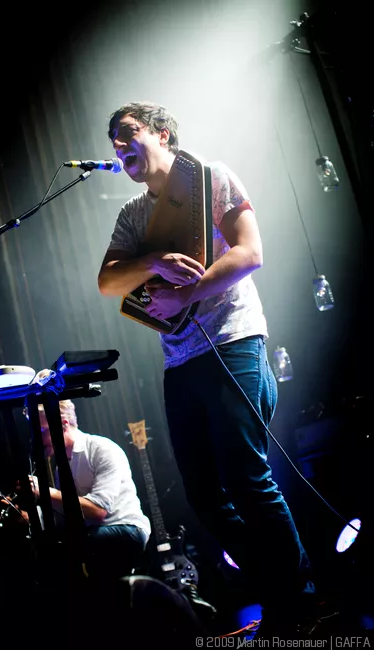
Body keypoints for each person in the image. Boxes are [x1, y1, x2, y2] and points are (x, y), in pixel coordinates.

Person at [98, 101, 318, 636]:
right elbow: (108, 281)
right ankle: (278, 589)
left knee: (247, 480)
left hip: (233, 342)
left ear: (162, 134)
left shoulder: (211, 177)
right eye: (113, 142)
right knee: (202, 494)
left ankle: (300, 601)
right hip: (179, 360)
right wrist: (151, 262)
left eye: (128, 133)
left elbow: (250, 252)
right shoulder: (132, 215)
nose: (119, 147)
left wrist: (187, 293)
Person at [21, 370, 151, 583]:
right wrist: (28, 517)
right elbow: (67, 515)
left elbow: (97, 511)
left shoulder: (102, 449)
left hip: (127, 530)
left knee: (65, 547)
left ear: (63, 424)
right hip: (93, 533)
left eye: (42, 431)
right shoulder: (62, 466)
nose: (37, 440)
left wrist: (44, 491)